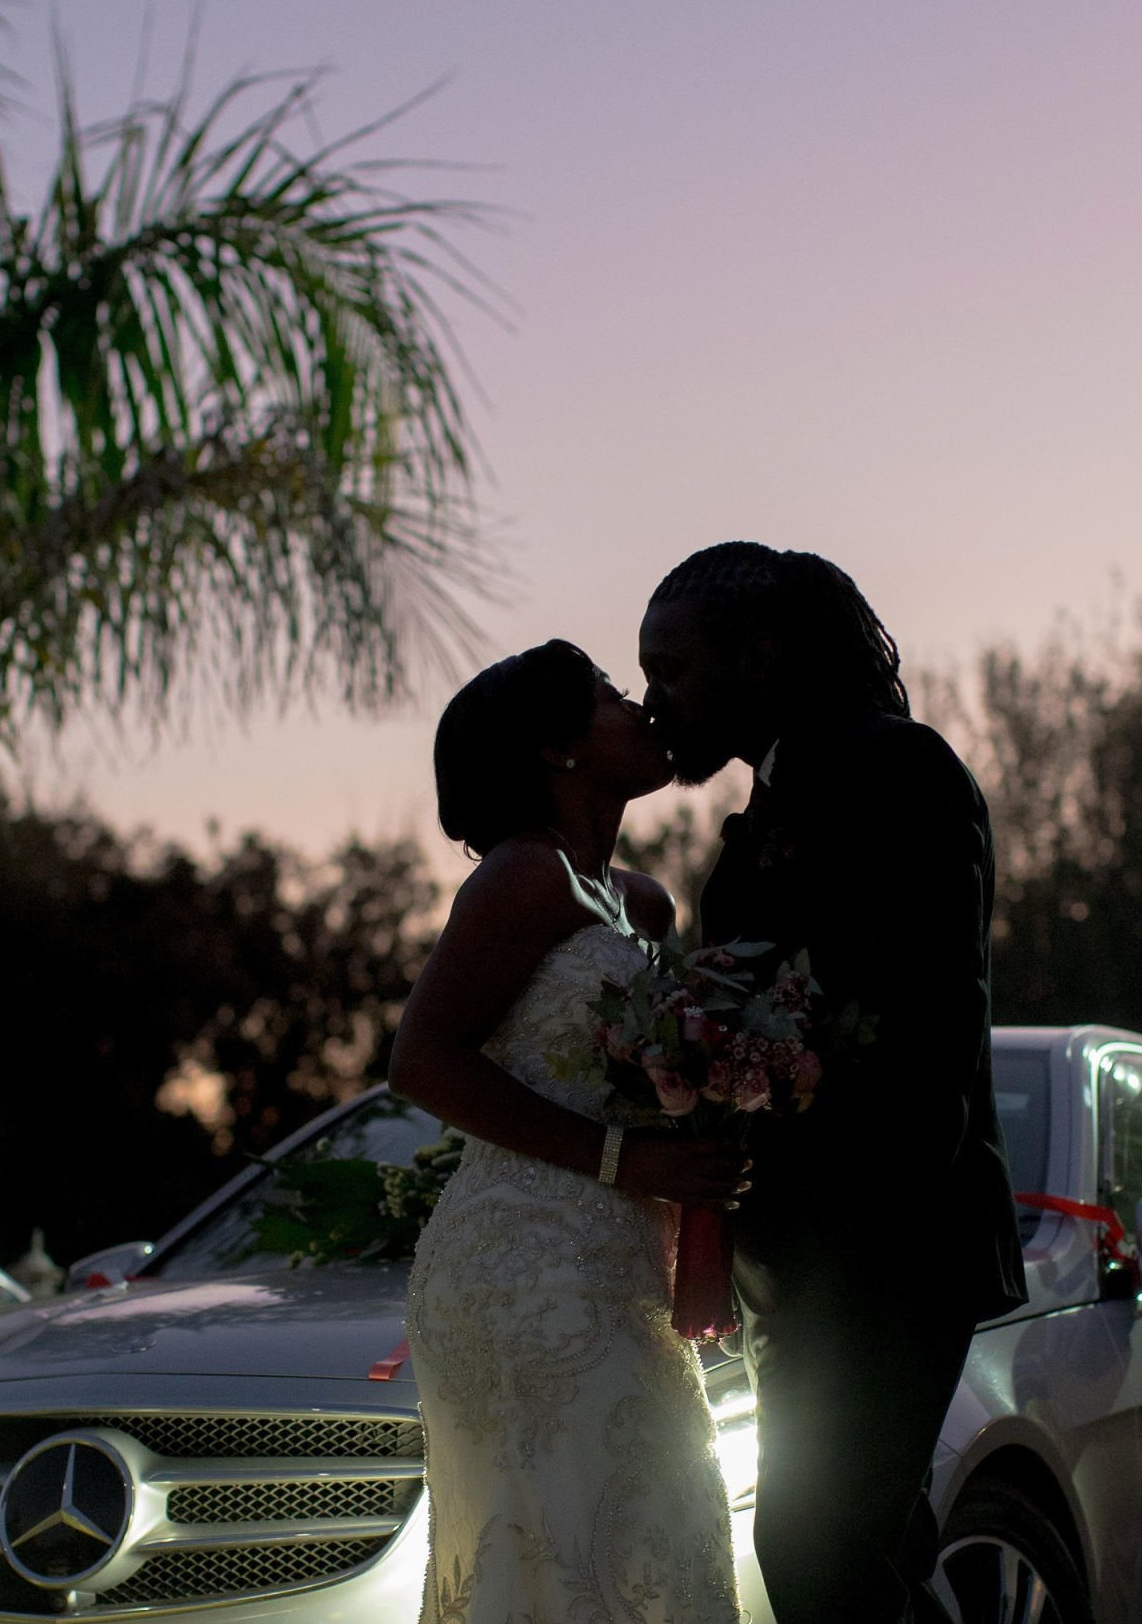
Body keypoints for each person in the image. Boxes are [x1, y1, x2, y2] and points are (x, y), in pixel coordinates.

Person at [638, 544, 1027, 1624]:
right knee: (865, 1558)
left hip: (886, 1249)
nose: (654, 699)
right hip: (803, 1265)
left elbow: (926, 1024)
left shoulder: (898, 768)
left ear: (760, 653)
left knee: (813, 1552)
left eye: (671, 669)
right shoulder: (779, 785)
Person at [390, 640, 747, 1624]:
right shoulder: (518, 880)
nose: (637, 708)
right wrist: (626, 1158)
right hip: (523, 1266)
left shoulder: (642, 902)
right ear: (560, 751)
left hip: (626, 1254)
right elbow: (420, 1058)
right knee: (581, 1541)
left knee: (664, 1525)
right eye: (607, 696)